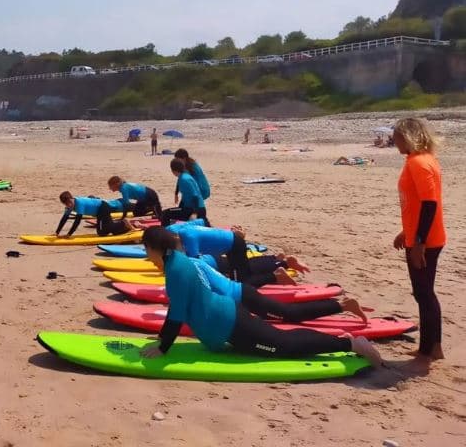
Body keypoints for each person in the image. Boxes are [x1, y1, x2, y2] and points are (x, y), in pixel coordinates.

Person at [137, 227, 382, 366]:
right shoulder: (176, 261)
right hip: (228, 318)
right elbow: (178, 308)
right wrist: (161, 339)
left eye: (147, 250)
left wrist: (163, 347)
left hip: (229, 323)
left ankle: (349, 343)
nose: (147, 256)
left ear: (157, 248)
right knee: (281, 335)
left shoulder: (176, 270)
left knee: (283, 345)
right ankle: (346, 339)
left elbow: (177, 313)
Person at [392, 118, 446, 365]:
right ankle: (430, 347)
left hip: (427, 241)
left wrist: (420, 243)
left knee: (424, 293)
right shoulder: (419, 160)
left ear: (409, 136)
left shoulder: (419, 163)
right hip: (420, 236)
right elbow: (417, 203)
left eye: (398, 136)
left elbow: (429, 203)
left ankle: (431, 348)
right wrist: (406, 232)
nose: (395, 141)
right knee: (423, 292)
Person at [185, 251, 367, 323]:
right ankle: (279, 263)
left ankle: (342, 305)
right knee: (247, 270)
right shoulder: (189, 262)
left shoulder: (186, 268)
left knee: (290, 314)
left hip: (244, 297)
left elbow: (204, 297)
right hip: (240, 291)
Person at [168, 221, 308, 287]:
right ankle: (282, 262)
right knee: (246, 269)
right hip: (233, 244)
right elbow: (201, 221)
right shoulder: (184, 230)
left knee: (241, 284)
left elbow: (195, 266)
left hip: (234, 246)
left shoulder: (189, 238)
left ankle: (276, 277)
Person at [55, 191, 131, 238]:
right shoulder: (68, 207)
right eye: (67, 204)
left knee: (105, 230)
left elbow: (77, 221)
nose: (69, 205)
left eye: (70, 202)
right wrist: (57, 232)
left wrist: (69, 234)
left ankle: (123, 222)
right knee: (106, 233)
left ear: (72, 198)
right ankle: (124, 227)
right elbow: (64, 219)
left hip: (103, 207)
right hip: (99, 212)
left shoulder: (79, 203)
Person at [160, 159, 207, 227]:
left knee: (165, 214)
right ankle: (172, 231)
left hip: (196, 209)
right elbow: (181, 189)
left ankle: (165, 234)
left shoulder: (185, 179)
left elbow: (195, 196)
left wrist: (194, 213)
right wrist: (176, 195)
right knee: (173, 212)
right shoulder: (183, 176)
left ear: (173, 170)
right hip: (190, 208)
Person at [173, 149, 210, 224]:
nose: (176, 161)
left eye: (177, 159)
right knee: (186, 205)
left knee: (194, 206)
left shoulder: (192, 167)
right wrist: (176, 193)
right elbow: (179, 179)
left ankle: (204, 221)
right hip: (195, 189)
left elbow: (195, 187)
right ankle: (201, 220)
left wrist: (195, 213)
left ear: (183, 158)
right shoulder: (184, 167)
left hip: (202, 189)